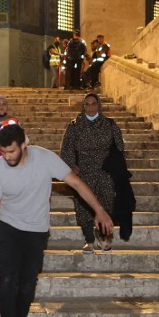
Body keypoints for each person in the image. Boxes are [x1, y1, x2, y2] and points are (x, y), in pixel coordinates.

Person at [0, 123, 112, 317]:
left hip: (36, 229)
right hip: (8, 226)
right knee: (7, 277)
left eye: (11, 151)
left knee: (27, 282)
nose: (7, 156)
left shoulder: (45, 159)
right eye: (2, 152)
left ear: (24, 145)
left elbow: (76, 183)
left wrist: (99, 210)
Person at [60, 93, 125, 253]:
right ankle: (89, 240)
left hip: (105, 171)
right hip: (84, 170)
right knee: (84, 206)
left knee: (105, 203)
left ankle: (104, 238)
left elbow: (119, 148)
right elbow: (67, 148)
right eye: (87, 104)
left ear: (98, 105)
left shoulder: (109, 124)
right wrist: (71, 166)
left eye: (93, 104)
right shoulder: (75, 125)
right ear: (83, 106)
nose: (90, 107)